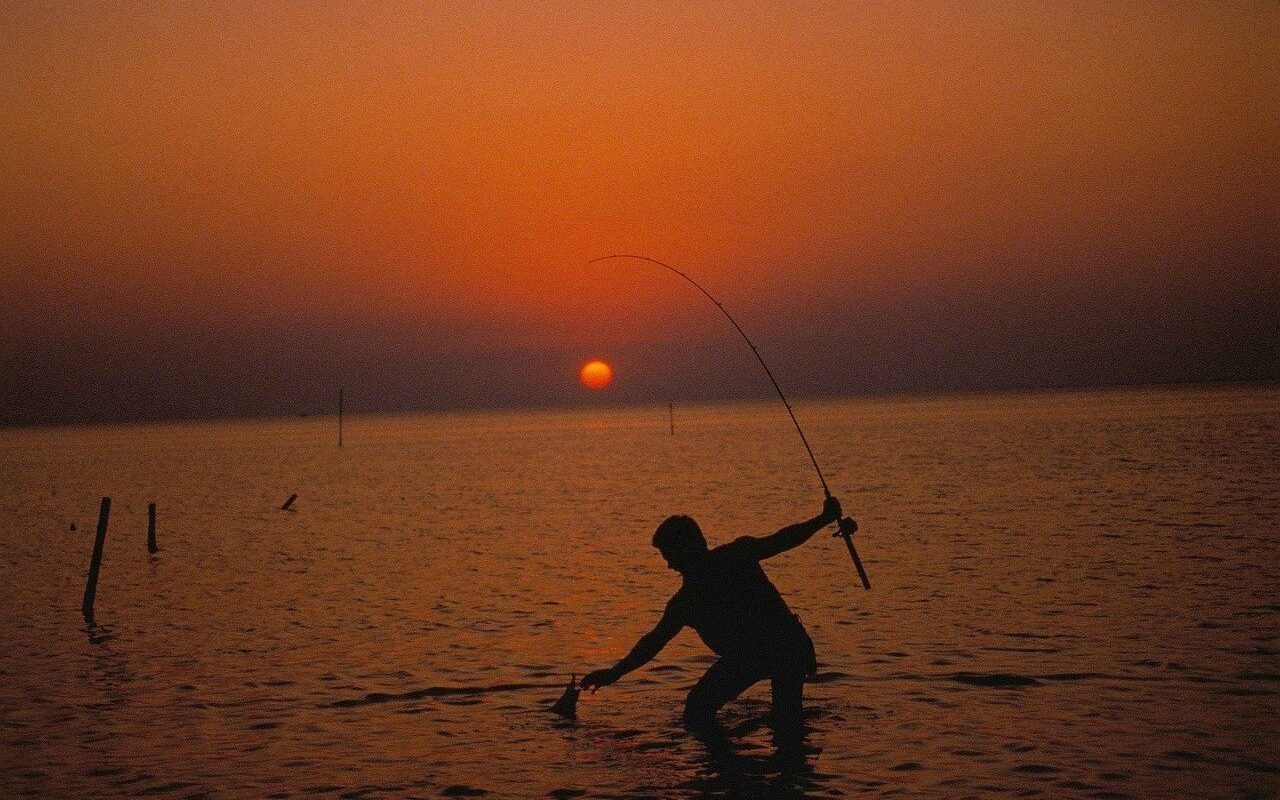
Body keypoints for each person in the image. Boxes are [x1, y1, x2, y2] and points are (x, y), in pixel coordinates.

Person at [581, 496, 844, 733]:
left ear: (687, 550)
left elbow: (783, 540)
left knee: (776, 722)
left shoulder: (734, 557)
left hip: (785, 646)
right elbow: (652, 643)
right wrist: (612, 675)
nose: (670, 565)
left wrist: (823, 519)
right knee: (700, 708)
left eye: (670, 556)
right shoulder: (685, 602)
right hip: (756, 655)